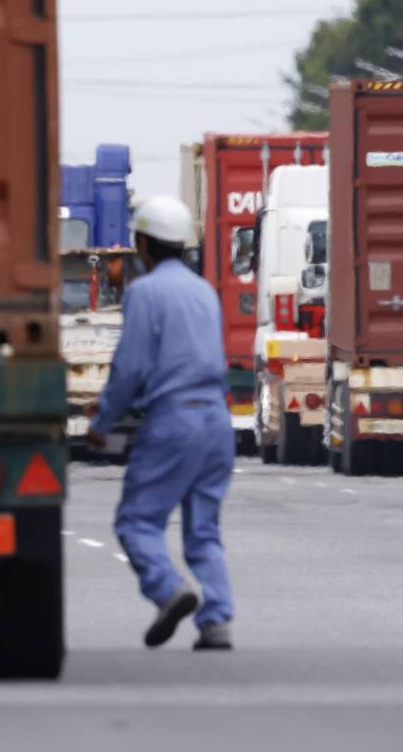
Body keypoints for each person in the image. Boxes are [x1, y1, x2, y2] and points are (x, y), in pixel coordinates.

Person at [89, 194, 236, 651]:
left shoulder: (145, 293)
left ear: (144, 244)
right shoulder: (204, 292)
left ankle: (168, 590)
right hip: (217, 421)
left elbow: (130, 367)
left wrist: (103, 421)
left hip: (175, 419)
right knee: (204, 530)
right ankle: (216, 623)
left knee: (136, 522)